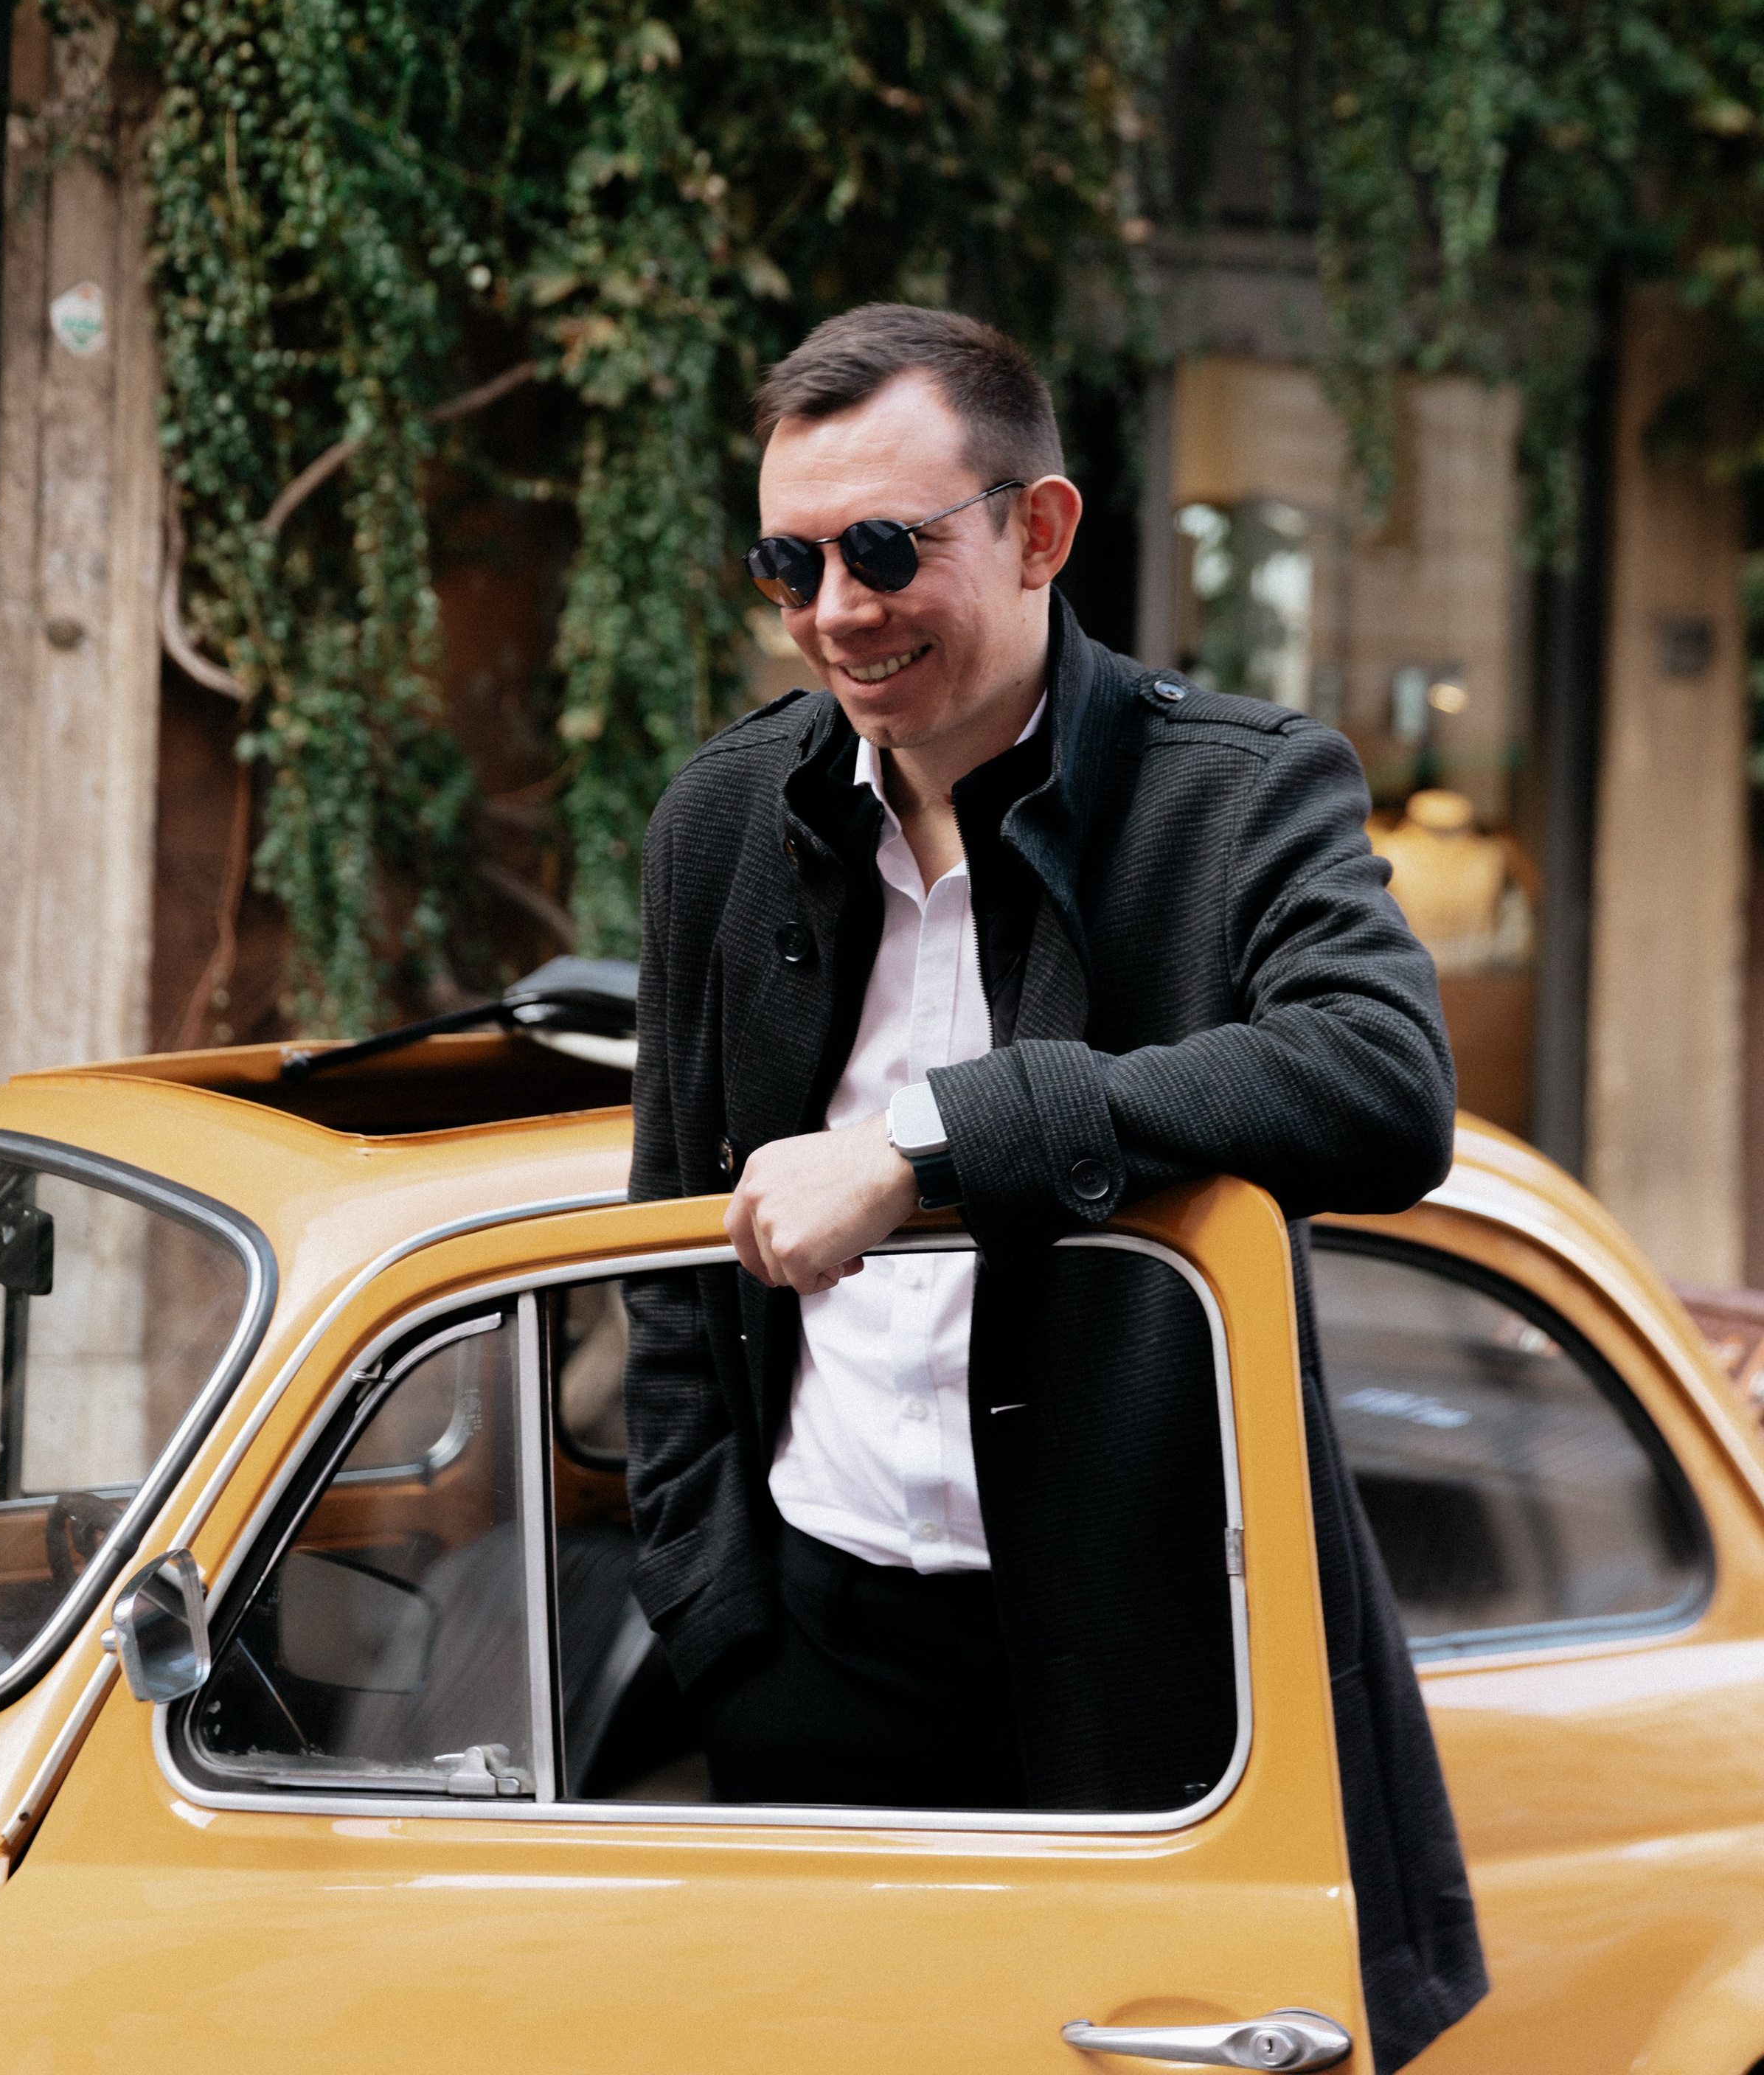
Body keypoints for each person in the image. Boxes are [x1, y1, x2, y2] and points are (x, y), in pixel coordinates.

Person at [624, 304, 1486, 2075]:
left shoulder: (1235, 795)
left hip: (1149, 1669)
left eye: (884, 547)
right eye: (790, 561)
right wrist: (719, 1625)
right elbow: (663, 1249)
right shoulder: (721, 821)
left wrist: (925, 1146)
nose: (836, 612)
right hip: (817, 1642)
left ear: (1037, 530)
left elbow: (1384, 1087)